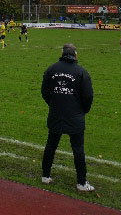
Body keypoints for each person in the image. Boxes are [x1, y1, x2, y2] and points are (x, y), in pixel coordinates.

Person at [40, 44, 94, 192]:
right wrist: (83, 110)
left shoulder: (51, 69)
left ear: (62, 53)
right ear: (75, 54)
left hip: (56, 114)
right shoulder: (81, 72)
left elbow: (44, 91)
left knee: (51, 145)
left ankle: (45, 175)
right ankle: (81, 182)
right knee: (78, 149)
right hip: (74, 116)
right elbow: (88, 96)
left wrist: (53, 104)